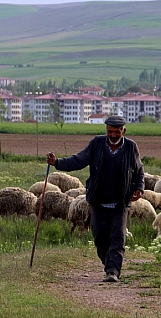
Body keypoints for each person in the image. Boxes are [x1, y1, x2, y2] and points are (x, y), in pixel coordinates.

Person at [46, 115, 144, 283]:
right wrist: (57, 162)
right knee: (100, 236)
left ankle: (112, 271)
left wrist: (139, 188)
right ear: (106, 131)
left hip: (120, 203)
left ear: (123, 131)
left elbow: (139, 171)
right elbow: (78, 160)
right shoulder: (97, 144)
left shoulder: (130, 147)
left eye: (117, 132)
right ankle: (108, 263)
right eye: (110, 131)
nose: (113, 135)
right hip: (98, 201)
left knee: (118, 237)